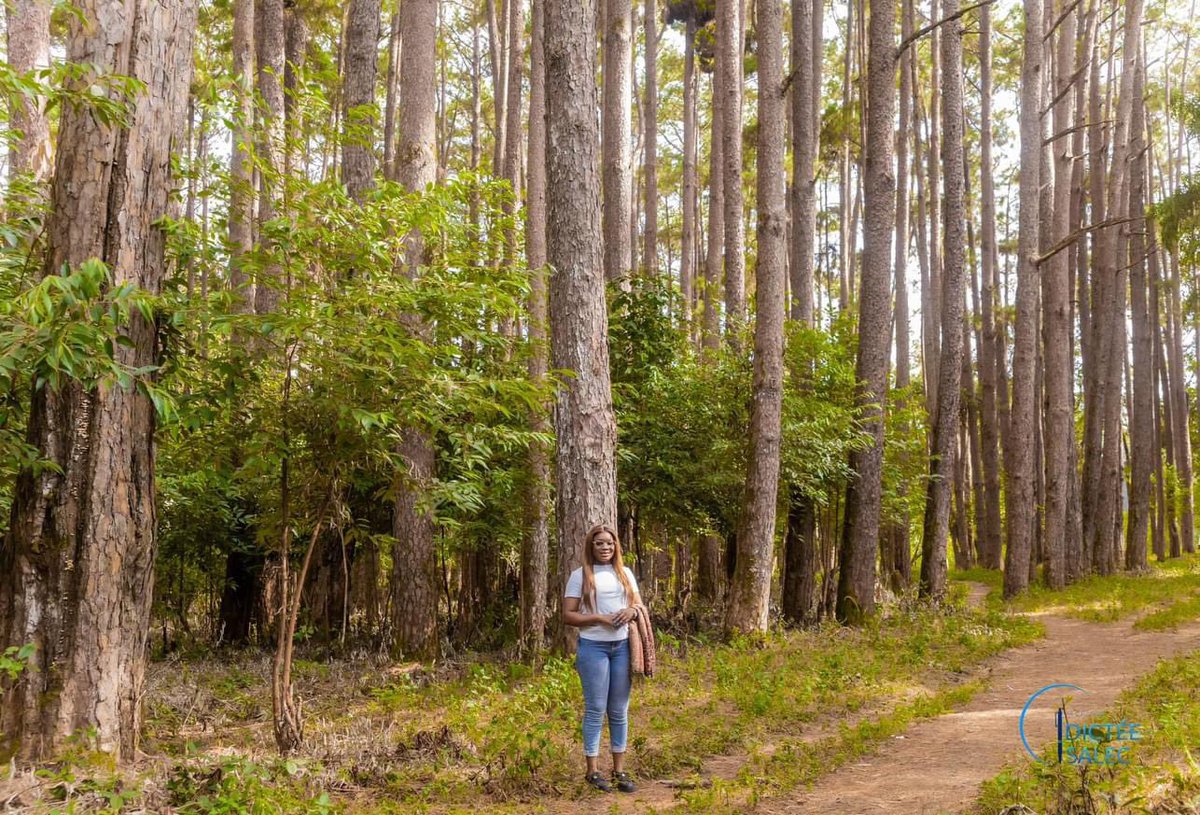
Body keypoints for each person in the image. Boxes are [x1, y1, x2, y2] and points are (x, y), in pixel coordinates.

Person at [563, 523, 644, 793]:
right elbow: (568, 615)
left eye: (609, 543)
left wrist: (631, 612)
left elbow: (638, 604)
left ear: (616, 546)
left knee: (619, 710)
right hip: (593, 647)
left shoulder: (625, 574)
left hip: (621, 647)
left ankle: (619, 770)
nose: (605, 547)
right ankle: (593, 770)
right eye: (599, 543)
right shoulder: (580, 575)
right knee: (596, 708)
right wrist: (598, 617)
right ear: (591, 546)